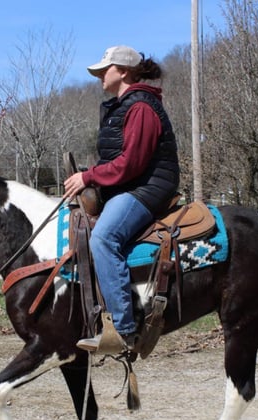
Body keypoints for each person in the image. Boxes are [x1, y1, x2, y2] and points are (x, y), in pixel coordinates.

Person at [63, 45, 180, 354]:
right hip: (130, 185)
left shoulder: (140, 107)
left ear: (124, 71)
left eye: (105, 69)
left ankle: (122, 329)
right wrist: (91, 176)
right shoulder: (121, 106)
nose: (100, 75)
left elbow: (132, 163)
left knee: (104, 238)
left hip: (147, 186)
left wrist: (88, 177)